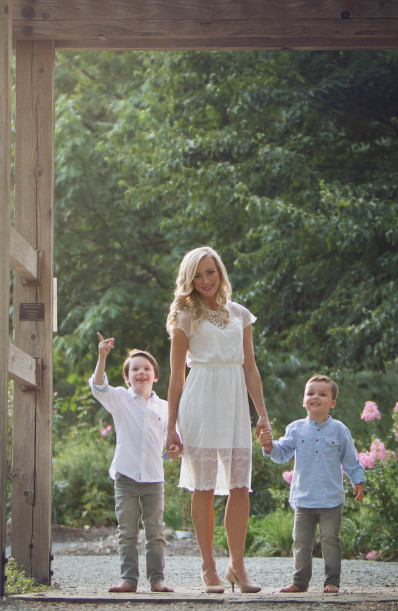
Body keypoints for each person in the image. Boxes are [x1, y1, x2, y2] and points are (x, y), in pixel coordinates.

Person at [164, 246, 271, 594]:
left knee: (240, 486)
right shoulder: (185, 314)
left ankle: (236, 566)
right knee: (205, 486)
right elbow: (176, 376)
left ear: (220, 273)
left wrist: (262, 416)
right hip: (200, 399)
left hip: (236, 400)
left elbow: (251, 367)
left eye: (210, 272)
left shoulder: (240, 313)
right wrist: (171, 426)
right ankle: (208, 566)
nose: (205, 280)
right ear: (189, 279)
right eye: (197, 275)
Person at [259, 374, 366, 594]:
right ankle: (300, 582)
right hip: (303, 498)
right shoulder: (296, 429)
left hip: (330, 499)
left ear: (332, 403)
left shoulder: (339, 429)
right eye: (310, 393)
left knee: (330, 540)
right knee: (300, 542)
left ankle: (332, 580)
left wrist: (358, 481)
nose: (315, 397)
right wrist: (269, 446)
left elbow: (350, 459)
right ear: (303, 400)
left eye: (322, 394)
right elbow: (282, 454)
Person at [89, 332, 175, 594]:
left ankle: (157, 580)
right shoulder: (120, 398)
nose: (141, 373)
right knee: (126, 531)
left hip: (153, 478)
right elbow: (98, 386)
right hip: (125, 476)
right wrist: (102, 356)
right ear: (126, 378)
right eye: (135, 369)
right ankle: (129, 580)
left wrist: (174, 449)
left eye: (146, 368)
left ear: (155, 376)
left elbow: (174, 443)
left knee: (155, 532)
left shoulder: (166, 407)